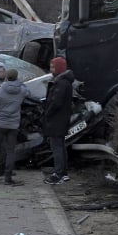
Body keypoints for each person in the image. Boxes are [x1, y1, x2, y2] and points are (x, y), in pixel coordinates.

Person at [43, 56, 74, 184]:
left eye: (53, 67)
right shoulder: (65, 82)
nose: (51, 69)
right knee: (61, 146)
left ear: (59, 68)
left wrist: (47, 113)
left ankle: (58, 173)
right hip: (62, 119)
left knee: (57, 147)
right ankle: (63, 173)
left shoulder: (60, 83)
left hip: (57, 120)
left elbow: (56, 102)